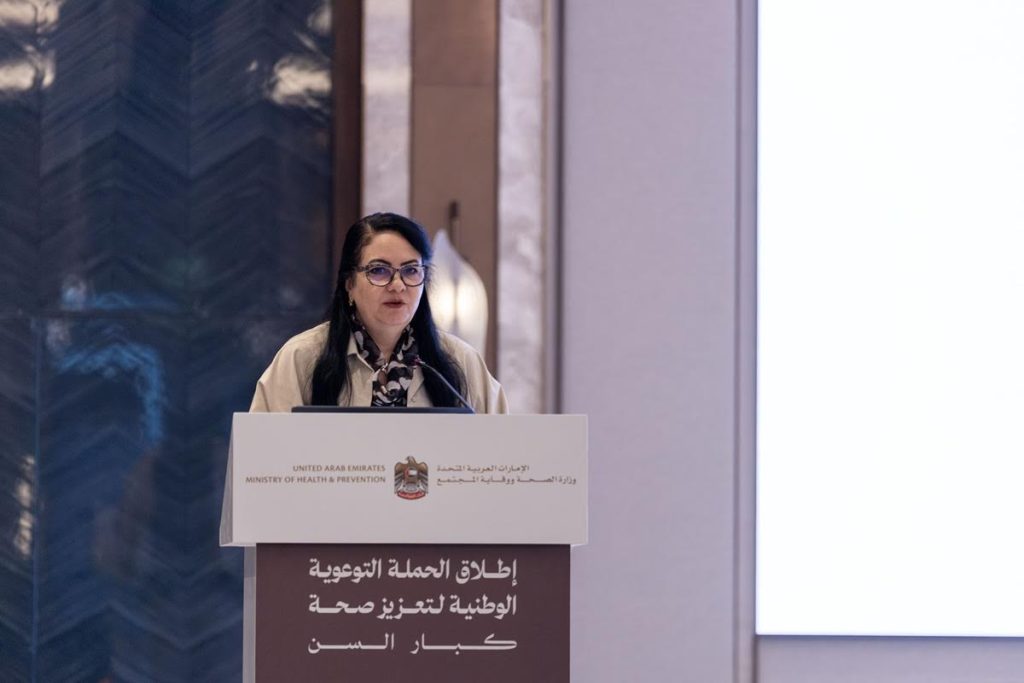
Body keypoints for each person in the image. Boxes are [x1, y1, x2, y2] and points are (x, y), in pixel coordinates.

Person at [249, 212, 507, 413]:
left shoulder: (460, 362)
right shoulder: (302, 358)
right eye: (379, 271)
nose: (398, 285)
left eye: (411, 271)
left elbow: (502, 450)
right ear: (349, 283)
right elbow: (262, 454)